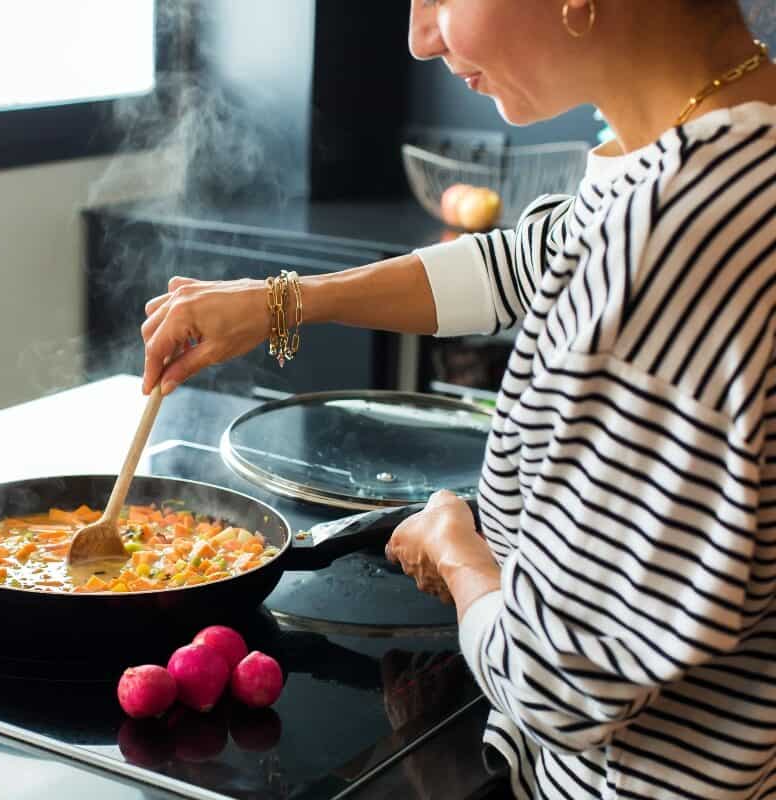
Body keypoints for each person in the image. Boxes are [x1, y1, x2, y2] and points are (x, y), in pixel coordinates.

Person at [139, 1, 776, 798]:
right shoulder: (733, 142)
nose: (419, 37)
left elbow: (559, 685)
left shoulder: (668, 247)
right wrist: (282, 300)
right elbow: (525, 261)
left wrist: (455, 547)